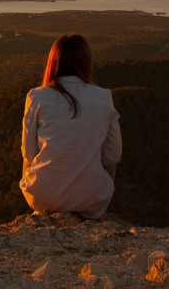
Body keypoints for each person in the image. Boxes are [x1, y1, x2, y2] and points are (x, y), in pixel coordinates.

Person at [20, 33, 122, 219]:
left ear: (53, 61)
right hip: (92, 199)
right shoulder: (103, 97)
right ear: (86, 62)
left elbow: (28, 153)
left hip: (44, 198)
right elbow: (113, 155)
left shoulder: (37, 96)